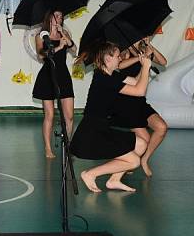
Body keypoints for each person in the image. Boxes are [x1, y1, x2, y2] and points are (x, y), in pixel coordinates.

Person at [70, 41, 150, 192]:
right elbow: (140, 91)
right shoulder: (105, 79)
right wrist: (146, 67)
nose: (121, 59)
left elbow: (137, 82)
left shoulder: (109, 75)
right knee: (134, 161)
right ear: (108, 59)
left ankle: (114, 180)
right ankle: (90, 174)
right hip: (92, 133)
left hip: (102, 128)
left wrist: (142, 63)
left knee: (141, 144)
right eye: (118, 56)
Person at [111, 37, 168, 176]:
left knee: (161, 127)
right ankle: (122, 164)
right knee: (144, 140)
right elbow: (120, 66)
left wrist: (149, 46)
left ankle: (144, 160)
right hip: (125, 102)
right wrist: (139, 58)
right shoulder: (123, 52)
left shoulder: (144, 49)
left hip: (140, 101)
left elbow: (163, 62)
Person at [33, 10, 76, 158]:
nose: (59, 18)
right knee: (50, 115)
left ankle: (67, 145)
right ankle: (48, 148)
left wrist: (65, 37)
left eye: (61, 16)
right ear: (49, 17)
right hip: (48, 75)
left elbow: (75, 50)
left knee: (69, 116)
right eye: (56, 15)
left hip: (63, 75)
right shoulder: (41, 35)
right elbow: (41, 55)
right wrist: (58, 47)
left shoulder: (63, 33)